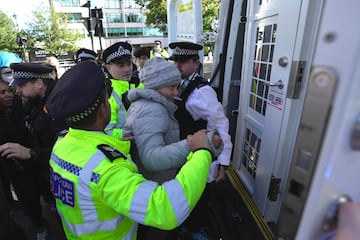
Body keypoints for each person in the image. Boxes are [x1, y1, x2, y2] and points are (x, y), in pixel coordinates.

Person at [44, 60, 222, 240]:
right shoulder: (107, 169)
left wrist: (120, 140)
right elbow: (165, 209)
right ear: (102, 109)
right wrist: (200, 151)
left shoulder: (62, 145)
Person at [123, 57, 224, 240]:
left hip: (152, 183)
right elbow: (151, 158)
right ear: (155, 87)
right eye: (171, 87)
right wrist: (191, 144)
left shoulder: (149, 106)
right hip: (155, 187)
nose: (176, 93)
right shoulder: (151, 109)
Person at [169, 41, 233, 239]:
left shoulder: (201, 92)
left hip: (199, 157)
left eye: (183, 61)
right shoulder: (179, 84)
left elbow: (220, 124)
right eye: (175, 60)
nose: (177, 65)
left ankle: (198, 229)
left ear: (196, 63)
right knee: (187, 196)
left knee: (199, 198)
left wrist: (223, 161)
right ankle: (188, 225)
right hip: (185, 154)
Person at [0, 63, 68, 239]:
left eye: (21, 85)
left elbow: (69, 151)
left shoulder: (58, 105)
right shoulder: (37, 101)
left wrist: (31, 153)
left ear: (39, 83)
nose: (18, 92)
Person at [101, 42, 142, 155]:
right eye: (121, 66)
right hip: (124, 153)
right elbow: (106, 131)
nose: (127, 69)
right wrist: (129, 133)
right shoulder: (108, 94)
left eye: (129, 64)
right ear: (108, 68)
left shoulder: (138, 84)